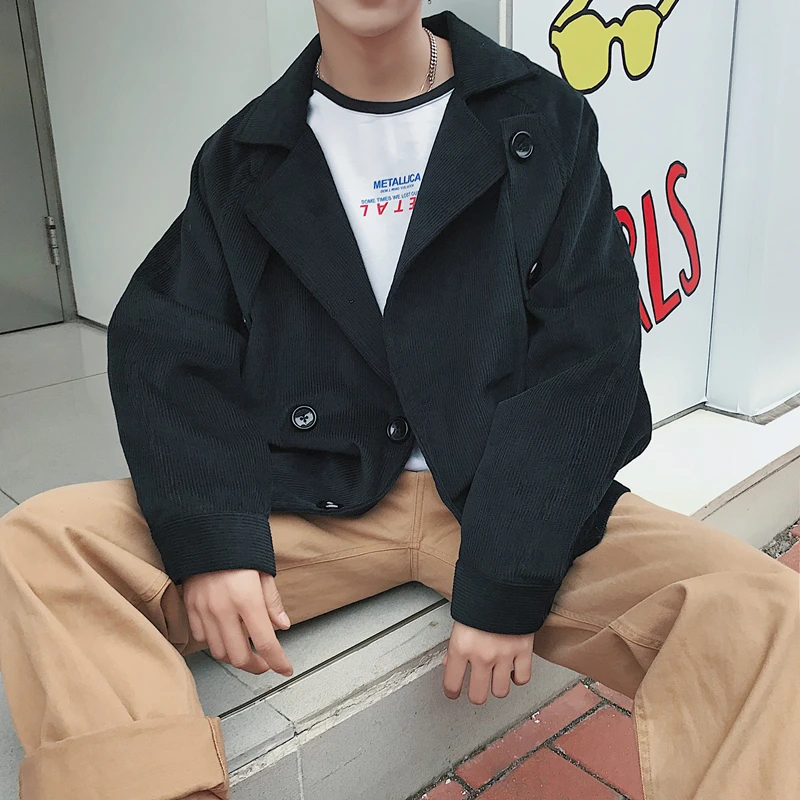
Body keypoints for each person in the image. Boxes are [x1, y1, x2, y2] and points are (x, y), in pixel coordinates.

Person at [0, 4, 797, 800]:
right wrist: (212, 539)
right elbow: (171, 339)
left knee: (764, 614)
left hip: (500, 488)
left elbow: (590, 349)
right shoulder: (244, 154)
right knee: (44, 545)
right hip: (312, 500)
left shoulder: (538, 115)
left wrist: (508, 569)